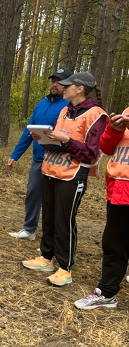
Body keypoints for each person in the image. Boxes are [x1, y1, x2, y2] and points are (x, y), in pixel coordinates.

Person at [22, 72, 108, 286]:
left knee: (64, 220)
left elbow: (91, 152)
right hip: (51, 169)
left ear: (80, 89)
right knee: (49, 216)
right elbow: (59, 138)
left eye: (67, 85)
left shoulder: (96, 115)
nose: (62, 87)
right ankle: (46, 257)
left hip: (72, 174)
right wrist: (44, 137)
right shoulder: (64, 110)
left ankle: (65, 268)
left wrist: (67, 141)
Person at [8, 69, 72, 241]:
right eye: (53, 81)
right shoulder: (42, 104)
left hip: (57, 160)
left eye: (59, 82)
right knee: (33, 194)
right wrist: (15, 154)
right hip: (38, 159)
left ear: (67, 85)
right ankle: (29, 230)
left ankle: (52, 239)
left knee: (54, 200)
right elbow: (28, 131)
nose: (54, 84)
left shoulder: (68, 107)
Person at [74, 109, 129, 309]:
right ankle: (107, 294)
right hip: (120, 189)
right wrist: (114, 129)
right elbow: (106, 148)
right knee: (113, 243)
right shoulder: (127, 112)